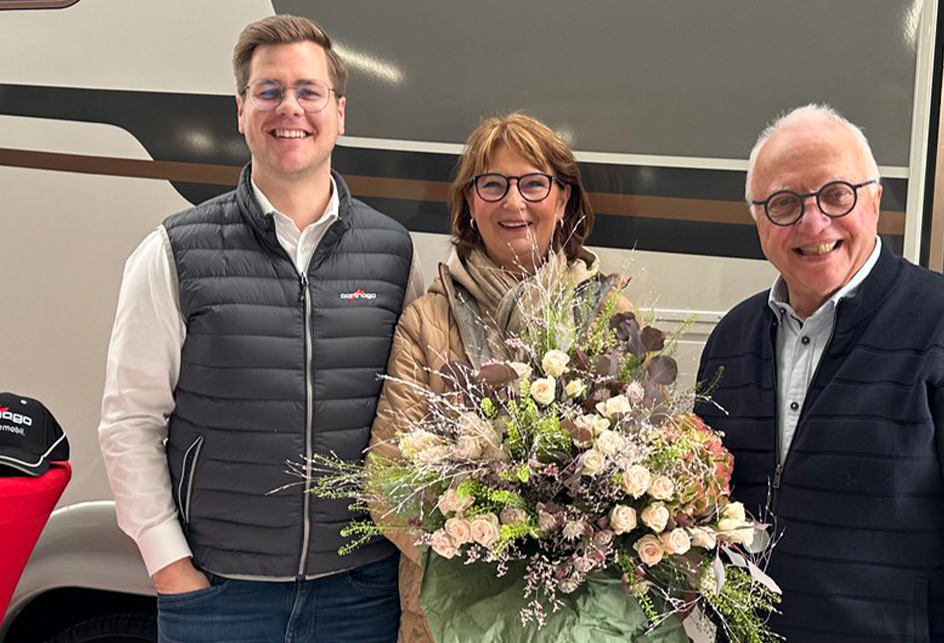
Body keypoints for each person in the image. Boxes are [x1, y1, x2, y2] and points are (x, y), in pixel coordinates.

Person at [97, 15, 418, 643]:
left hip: (360, 594)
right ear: (241, 111)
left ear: (339, 111)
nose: (289, 108)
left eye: (308, 90)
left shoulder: (393, 253)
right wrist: (170, 567)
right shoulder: (173, 251)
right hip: (220, 595)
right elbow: (130, 422)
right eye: (269, 91)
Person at [695, 105, 944, 642]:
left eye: (836, 195)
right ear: (758, 218)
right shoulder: (732, 338)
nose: (813, 222)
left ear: (874, 199)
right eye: (783, 203)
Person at [371, 112, 625, 642]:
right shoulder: (426, 321)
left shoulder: (607, 313)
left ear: (563, 201)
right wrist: (486, 571)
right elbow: (387, 483)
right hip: (447, 619)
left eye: (534, 183)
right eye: (493, 184)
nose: (514, 202)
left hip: (579, 620)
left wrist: (562, 567)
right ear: (469, 202)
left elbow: (638, 473)